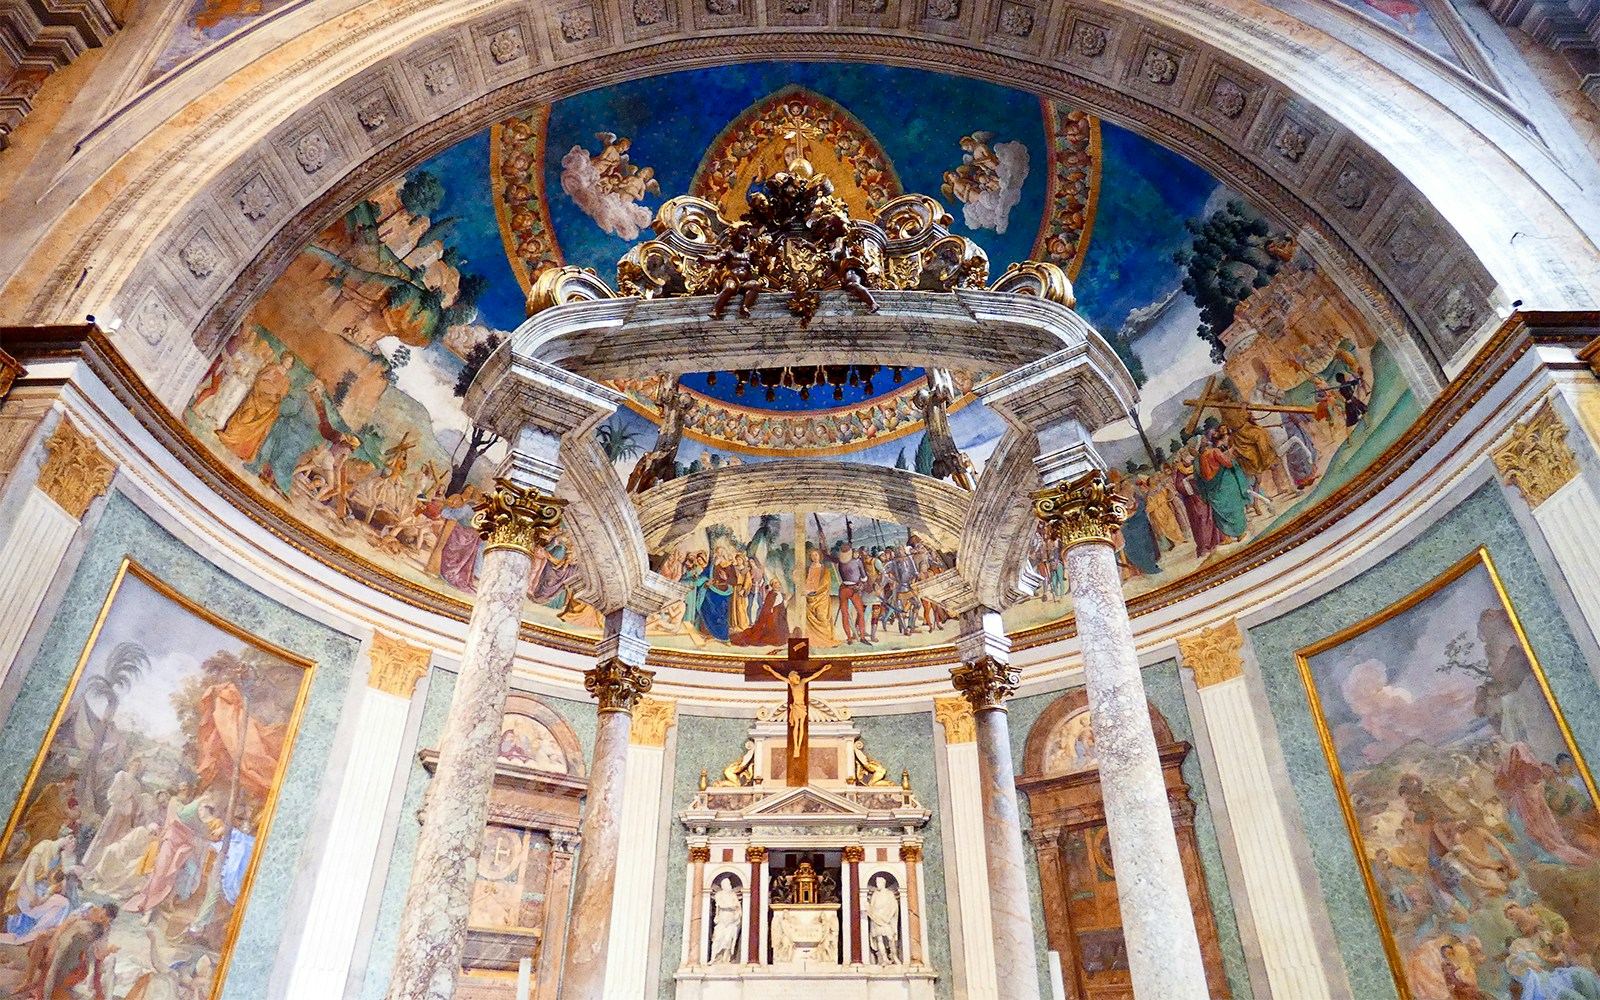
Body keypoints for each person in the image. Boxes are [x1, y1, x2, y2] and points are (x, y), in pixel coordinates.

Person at [867, 876, 900, 965]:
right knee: (879, 939)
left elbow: (894, 906)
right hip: (877, 919)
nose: (877, 885)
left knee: (890, 938)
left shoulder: (889, 894)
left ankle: (894, 956)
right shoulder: (875, 894)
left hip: (887, 919)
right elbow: (872, 906)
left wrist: (889, 916)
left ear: (883, 883)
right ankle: (884, 958)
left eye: (879, 883)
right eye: (876, 883)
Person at [709, 877, 741, 963]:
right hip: (722, 921)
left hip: (732, 922)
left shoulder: (733, 895)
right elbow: (721, 905)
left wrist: (735, 912)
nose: (729, 885)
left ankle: (726, 959)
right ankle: (713, 958)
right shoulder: (719, 895)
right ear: (723, 885)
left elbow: (737, 907)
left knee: (728, 941)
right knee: (717, 939)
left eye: (729, 884)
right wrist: (730, 907)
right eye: (727, 884)